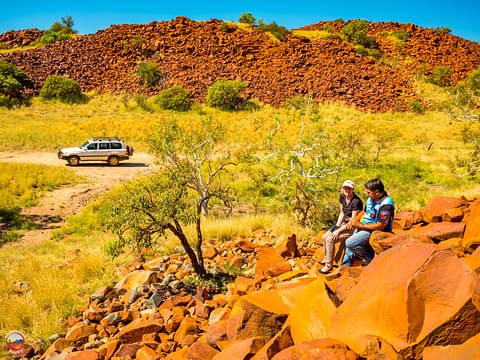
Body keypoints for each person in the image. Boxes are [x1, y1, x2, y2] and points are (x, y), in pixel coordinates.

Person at [341, 178, 394, 267]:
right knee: (351, 239)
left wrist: (360, 225)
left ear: (376, 192)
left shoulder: (386, 205)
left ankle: (369, 258)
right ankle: (345, 266)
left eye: (369, 192)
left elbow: (381, 226)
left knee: (350, 243)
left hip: (374, 229)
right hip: (365, 225)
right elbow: (364, 211)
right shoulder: (372, 199)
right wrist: (355, 220)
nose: (368, 195)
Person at [320, 180, 363, 274]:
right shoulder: (342, 197)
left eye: (349, 188)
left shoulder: (356, 201)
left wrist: (338, 232)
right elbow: (342, 213)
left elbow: (353, 221)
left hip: (351, 226)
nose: (347, 190)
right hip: (342, 223)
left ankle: (328, 265)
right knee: (324, 237)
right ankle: (326, 258)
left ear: (353, 189)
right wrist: (336, 227)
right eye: (345, 188)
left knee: (330, 239)